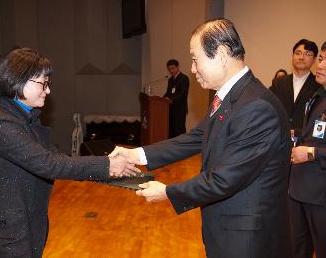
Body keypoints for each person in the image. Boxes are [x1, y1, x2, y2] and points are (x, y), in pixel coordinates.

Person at [110, 19, 292, 257]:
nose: (193, 69)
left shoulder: (255, 106)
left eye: (196, 59)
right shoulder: (232, 97)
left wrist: (167, 192)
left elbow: (225, 179)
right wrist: (136, 153)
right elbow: (195, 137)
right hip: (228, 231)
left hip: (247, 241)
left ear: (223, 54)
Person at [0, 48, 140, 257]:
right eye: (43, 83)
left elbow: (56, 157)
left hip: (19, 222)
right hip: (5, 231)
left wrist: (104, 162)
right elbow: (48, 164)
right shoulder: (1, 124)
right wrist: (107, 166)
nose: (48, 91)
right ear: (19, 80)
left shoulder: (22, 118)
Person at [289, 41, 326, 258]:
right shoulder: (319, 96)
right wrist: (295, 134)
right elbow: (316, 133)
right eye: (321, 59)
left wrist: (310, 153)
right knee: (297, 248)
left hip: (321, 195)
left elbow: (316, 147)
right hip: (300, 190)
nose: (320, 65)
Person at [270, 39, 319, 137]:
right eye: (298, 53)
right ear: (292, 56)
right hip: (279, 138)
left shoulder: (318, 86)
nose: (301, 57)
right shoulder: (278, 83)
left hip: (305, 142)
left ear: (314, 60)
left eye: (307, 54)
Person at [163, 59, 190, 138]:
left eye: (173, 68)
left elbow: (183, 94)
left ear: (178, 67)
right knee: (171, 130)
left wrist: (172, 100)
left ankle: (182, 147)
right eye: (169, 69)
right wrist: (162, 99)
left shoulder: (184, 78)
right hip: (171, 109)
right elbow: (168, 92)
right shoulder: (170, 80)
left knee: (179, 130)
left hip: (180, 109)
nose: (171, 71)